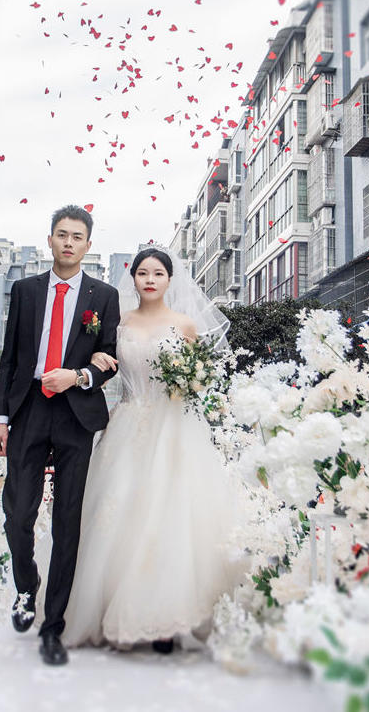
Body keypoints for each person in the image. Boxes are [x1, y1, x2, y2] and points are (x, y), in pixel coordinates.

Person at [62, 245, 248, 654]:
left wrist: (191, 383)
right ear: (133, 279)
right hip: (128, 424)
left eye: (158, 273)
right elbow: (105, 367)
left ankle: (166, 621)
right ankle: (116, 611)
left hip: (175, 427)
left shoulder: (184, 325)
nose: (149, 279)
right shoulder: (118, 323)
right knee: (119, 516)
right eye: (142, 273)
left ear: (169, 279)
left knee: (170, 518)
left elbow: (199, 376)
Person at [0, 205, 121, 666]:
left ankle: (53, 626)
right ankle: (26, 585)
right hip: (27, 409)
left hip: (74, 415)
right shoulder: (25, 291)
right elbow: (9, 357)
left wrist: (79, 376)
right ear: (49, 241)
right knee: (17, 515)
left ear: (88, 245)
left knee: (68, 522)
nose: (68, 242)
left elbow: (109, 358)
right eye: (61, 235)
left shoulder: (104, 296)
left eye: (77, 236)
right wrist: (0, 418)